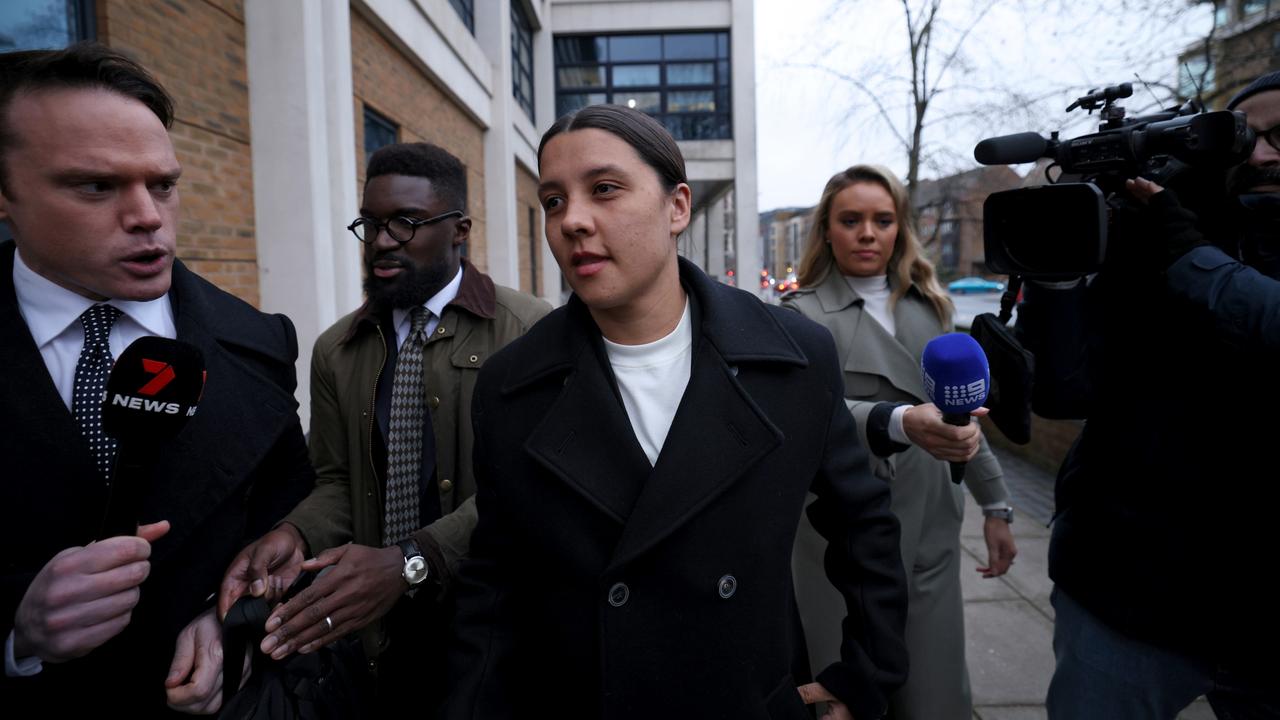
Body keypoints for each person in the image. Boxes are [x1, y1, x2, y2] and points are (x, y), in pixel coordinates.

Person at [442, 104, 908, 720]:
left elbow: (864, 525)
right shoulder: (511, 385)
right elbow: (496, 584)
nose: (573, 220)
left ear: (677, 207)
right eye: (553, 201)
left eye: (604, 189)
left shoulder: (792, 358)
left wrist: (866, 678)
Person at [0, 43, 313, 714]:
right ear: (5, 193)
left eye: (162, 184)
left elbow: (290, 522)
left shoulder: (260, 342)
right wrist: (16, 626)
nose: (147, 216)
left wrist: (236, 623)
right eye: (97, 185)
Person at [217, 142, 550, 712]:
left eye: (406, 222)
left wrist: (411, 560)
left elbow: (534, 488)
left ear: (460, 229)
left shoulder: (529, 332)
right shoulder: (336, 350)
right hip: (375, 638)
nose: (382, 242)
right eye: (370, 224)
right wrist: (294, 533)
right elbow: (336, 480)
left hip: (494, 630)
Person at [1021, 71, 1280, 719]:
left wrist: (1188, 254)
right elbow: (1062, 390)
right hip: (1125, 595)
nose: (1260, 154)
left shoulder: (1178, 242)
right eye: (1242, 136)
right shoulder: (1156, 233)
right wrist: (1057, 277)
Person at [782, 164, 1016, 720]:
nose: (868, 233)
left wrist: (997, 504)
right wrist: (896, 420)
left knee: (936, 699)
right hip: (841, 550)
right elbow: (800, 411)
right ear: (827, 230)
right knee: (852, 699)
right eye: (851, 219)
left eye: (882, 220)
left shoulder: (930, 308)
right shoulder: (799, 316)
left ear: (899, 228)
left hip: (932, 536)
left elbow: (963, 418)